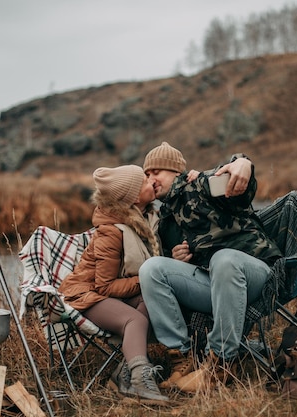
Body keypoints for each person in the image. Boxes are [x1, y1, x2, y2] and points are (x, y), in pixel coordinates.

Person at [138, 142, 282, 393]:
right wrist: (178, 260)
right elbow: (183, 269)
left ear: (175, 172)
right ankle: (183, 359)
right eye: (146, 174)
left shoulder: (201, 185)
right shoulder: (166, 221)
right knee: (152, 269)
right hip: (216, 285)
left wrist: (242, 162)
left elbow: (240, 183)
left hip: (257, 275)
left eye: (155, 172)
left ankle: (221, 363)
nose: (150, 179)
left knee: (224, 258)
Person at [58, 165, 169, 405]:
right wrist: (147, 279)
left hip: (114, 294)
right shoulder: (111, 232)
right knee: (135, 320)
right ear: (134, 198)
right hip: (86, 296)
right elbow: (104, 287)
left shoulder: (146, 220)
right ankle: (140, 380)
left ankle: (123, 373)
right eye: (144, 180)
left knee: (154, 301)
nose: (151, 181)